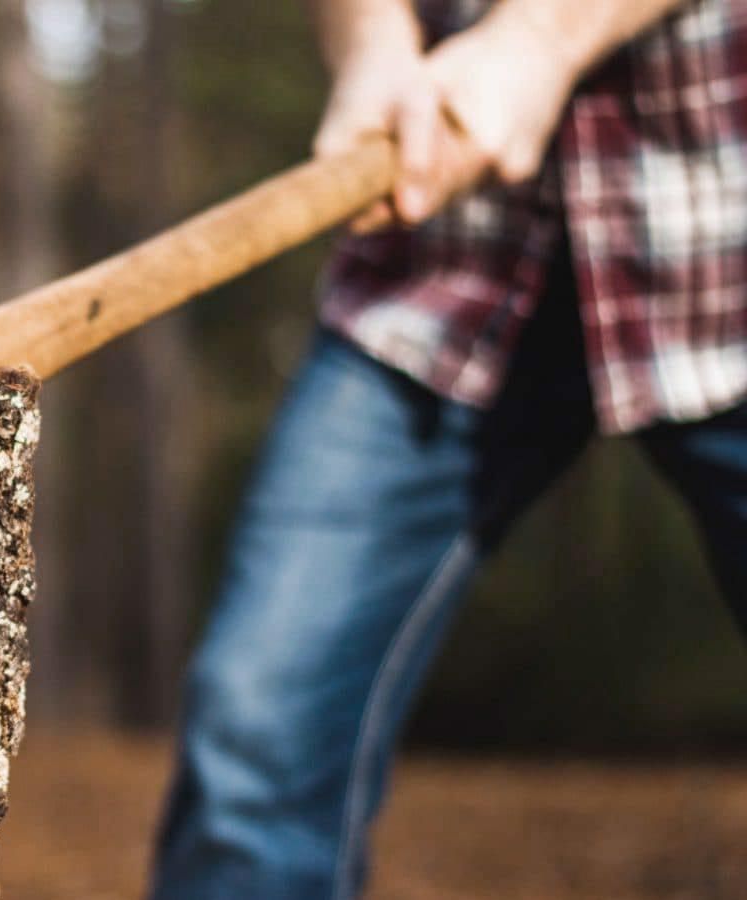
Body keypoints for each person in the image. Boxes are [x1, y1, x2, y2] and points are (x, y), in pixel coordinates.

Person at [151, 0, 747, 897]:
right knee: (256, 731)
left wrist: (543, 36)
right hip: (440, 272)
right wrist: (371, 43)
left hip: (719, 242)